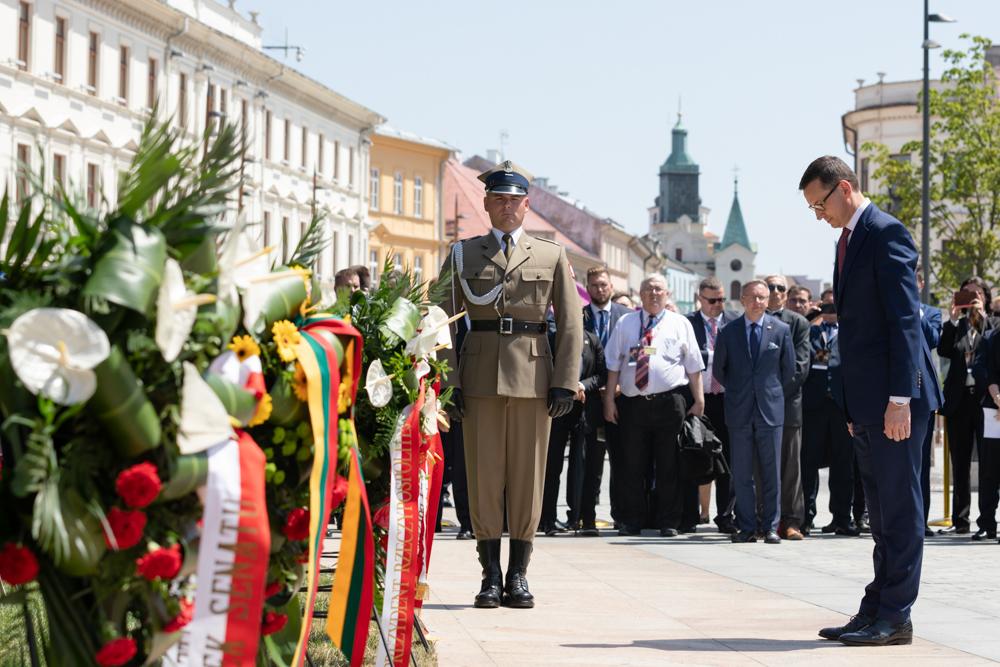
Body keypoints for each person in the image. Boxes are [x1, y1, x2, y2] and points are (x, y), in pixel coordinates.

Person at [802, 156, 941, 647]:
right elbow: (856, 330)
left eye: (820, 204)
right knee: (879, 514)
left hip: (897, 400)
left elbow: (905, 321)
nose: (819, 215)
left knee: (900, 510)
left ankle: (896, 616)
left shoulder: (886, 233)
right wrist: (853, 405)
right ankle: (877, 607)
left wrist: (899, 399)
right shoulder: (848, 239)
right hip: (868, 402)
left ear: (844, 188)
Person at [436, 160, 583, 609]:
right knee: (483, 477)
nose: (506, 207)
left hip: (534, 379)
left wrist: (565, 382)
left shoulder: (551, 255)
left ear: (526, 204)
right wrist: (448, 384)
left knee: (526, 478)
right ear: (486, 204)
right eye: (498, 199)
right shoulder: (463, 255)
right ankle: (489, 575)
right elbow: (440, 323)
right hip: (478, 379)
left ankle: (519, 573)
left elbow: (571, 323)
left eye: (514, 200)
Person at [603, 274, 704, 537]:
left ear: (667, 294)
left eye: (659, 289)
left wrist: (699, 400)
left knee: (669, 463)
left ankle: (669, 520)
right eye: (648, 289)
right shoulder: (626, 323)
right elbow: (613, 363)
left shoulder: (679, 323)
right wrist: (609, 400)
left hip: (669, 403)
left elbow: (694, 365)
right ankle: (632, 519)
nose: (654, 294)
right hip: (633, 404)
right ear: (640, 294)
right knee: (632, 464)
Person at [712, 280, 795, 544]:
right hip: (739, 410)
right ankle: (747, 527)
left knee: (771, 472)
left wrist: (767, 392)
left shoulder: (781, 330)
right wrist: (741, 390)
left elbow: (789, 370)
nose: (758, 302)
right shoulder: (728, 331)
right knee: (742, 473)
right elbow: (719, 370)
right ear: (743, 300)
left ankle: (770, 526)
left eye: (763, 297)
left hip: (770, 411)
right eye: (753, 297)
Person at [938, 277, 996, 536]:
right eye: (967, 295)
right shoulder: (957, 325)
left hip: (984, 400)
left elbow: (991, 350)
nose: (972, 299)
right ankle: (960, 520)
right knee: (959, 463)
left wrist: (982, 318)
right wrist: (952, 320)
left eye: (977, 294)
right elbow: (944, 351)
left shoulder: (993, 324)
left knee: (988, 463)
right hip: (959, 400)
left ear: (985, 297)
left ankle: (986, 520)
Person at [684, 276, 738, 534]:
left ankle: (725, 515)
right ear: (700, 299)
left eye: (721, 299)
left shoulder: (734, 322)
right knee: (694, 456)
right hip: (698, 402)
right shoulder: (687, 323)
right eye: (712, 300)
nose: (718, 304)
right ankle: (689, 515)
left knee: (728, 461)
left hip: (727, 400)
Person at [540, 327, 606, 534]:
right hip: (557, 409)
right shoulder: (551, 338)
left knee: (584, 466)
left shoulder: (592, 340)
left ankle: (583, 518)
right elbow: (544, 371)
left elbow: (601, 374)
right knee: (552, 466)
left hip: (585, 410)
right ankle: (547, 519)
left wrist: (581, 386)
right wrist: (567, 388)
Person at [580, 266, 631, 534]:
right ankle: (586, 517)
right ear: (587, 288)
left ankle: (621, 516)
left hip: (622, 398)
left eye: (604, 284)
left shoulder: (626, 317)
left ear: (611, 286)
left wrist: (620, 384)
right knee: (591, 462)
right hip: (589, 398)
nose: (600, 289)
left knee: (622, 461)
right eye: (595, 285)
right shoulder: (580, 316)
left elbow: (633, 355)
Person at [801, 303, 857, 536]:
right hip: (813, 406)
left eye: (835, 307)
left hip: (841, 406)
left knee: (843, 463)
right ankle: (805, 517)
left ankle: (842, 518)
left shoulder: (851, 331)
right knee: (808, 462)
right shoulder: (811, 331)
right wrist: (812, 316)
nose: (831, 311)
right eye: (827, 307)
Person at [765, 274, 812, 540]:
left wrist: (772, 395)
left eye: (779, 287)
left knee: (790, 467)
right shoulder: (751, 320)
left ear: (786, 293)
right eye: (769, 286)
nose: (774, 291)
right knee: (758, 466)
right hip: (757, 406)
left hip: (787, 405)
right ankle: (762, 519)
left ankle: (791, 521)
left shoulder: (798, 323)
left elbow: (800, 367)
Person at [915, 270, 942, 536]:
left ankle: (920, 521)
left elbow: (934, 339)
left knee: (922, 462)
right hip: (894, 394)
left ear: (921, 284)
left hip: (923, 395)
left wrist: (915, 310)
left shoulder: (931, 312)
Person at [972, 326, 1000, 542]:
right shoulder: (990, 337)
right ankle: (987, 523)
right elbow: (980, 367)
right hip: (993, 411)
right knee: (989, 470)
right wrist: (996, 395)